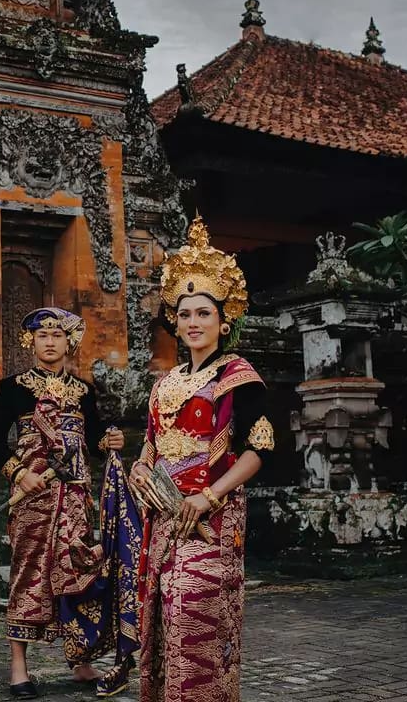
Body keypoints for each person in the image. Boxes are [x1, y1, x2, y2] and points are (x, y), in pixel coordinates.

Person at [130, 218, 275, 702]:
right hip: (164, 518)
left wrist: (210, 494)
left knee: (196, 620)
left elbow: (260, 449)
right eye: (184, 313)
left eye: (203, 313)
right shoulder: (163, 382)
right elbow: (151, 444)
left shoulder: (237, 376)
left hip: (210, 517)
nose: (192, 322)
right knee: (163, 620)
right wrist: (137, 469)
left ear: (223, 320)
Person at [0, 307, 126, 699]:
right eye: (42, 336)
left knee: (79, 571)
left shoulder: (83, 391)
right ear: (31, 342)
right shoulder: (14, 387)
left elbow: (95, 442)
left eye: (57, 336)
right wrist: (17, 473)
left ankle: (80, 660)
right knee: (28, 574)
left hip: (76, 498)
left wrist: (108, 442)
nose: (50, 342)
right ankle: (19, 668)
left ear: (69, 343)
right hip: (33, 499)